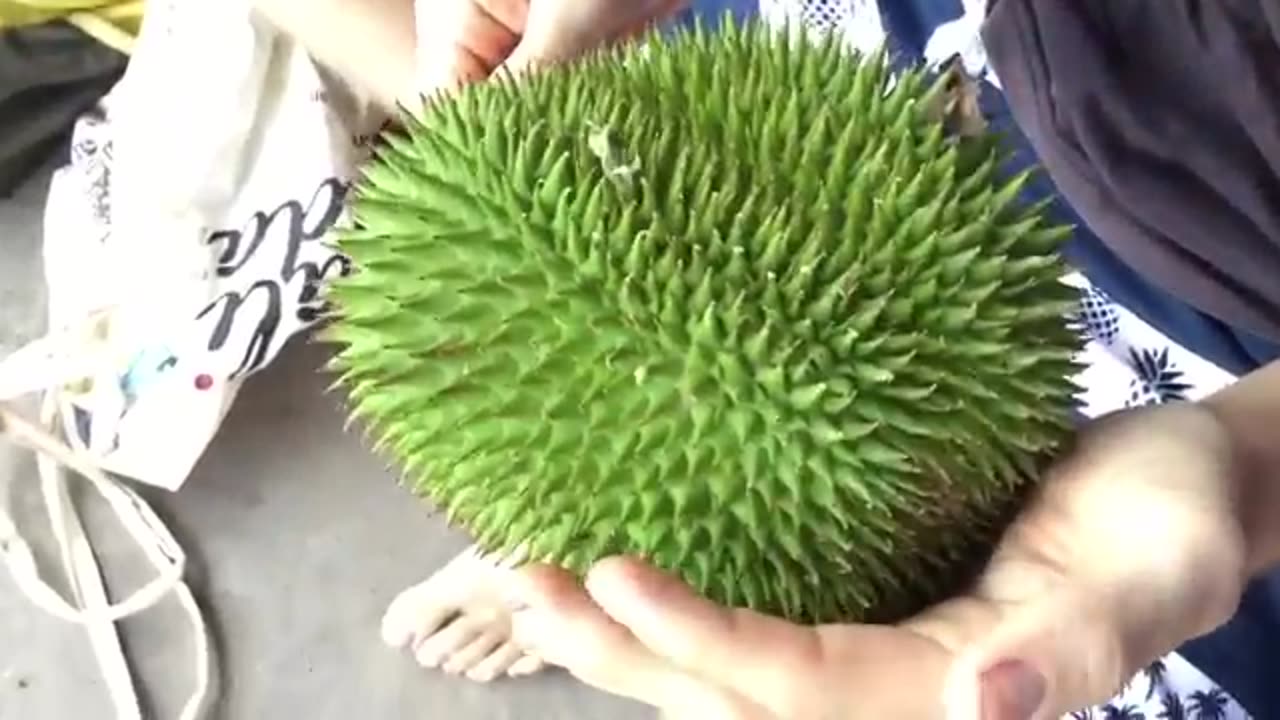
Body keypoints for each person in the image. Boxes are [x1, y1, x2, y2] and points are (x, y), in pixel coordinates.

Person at [260, 0, 1280, 717]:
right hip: (804, 79)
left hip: (1180, 301)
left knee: (989, 659)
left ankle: (597, 556)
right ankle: (591, 549)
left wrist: (1246, 465)